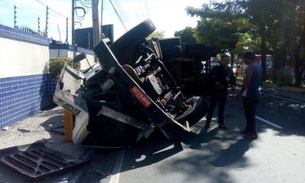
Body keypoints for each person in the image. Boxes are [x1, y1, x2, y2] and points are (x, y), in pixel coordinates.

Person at [235, 51, 262, 139]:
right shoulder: (258, 66)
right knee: (249, 113)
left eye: (244, 59)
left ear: (248, 58)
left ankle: (252, 132)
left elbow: (246, 83)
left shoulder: (250, 67)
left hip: (249, 94)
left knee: (250, 114)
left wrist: (239, 93)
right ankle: (248, 129)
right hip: (256, 92)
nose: (244, 60)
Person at [205, 54, 236, 129]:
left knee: (222, 107)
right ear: (221, 60)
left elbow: (232, 79)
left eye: (228, 60)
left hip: (224, 91)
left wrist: (233, 85)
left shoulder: (229, 69)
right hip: (215, 91)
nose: (226, 61)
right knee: (212, 106)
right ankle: (208, 122)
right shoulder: (216, 68)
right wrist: (215, 82)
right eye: (225, 60)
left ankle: (221, 122)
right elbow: (210, 76)